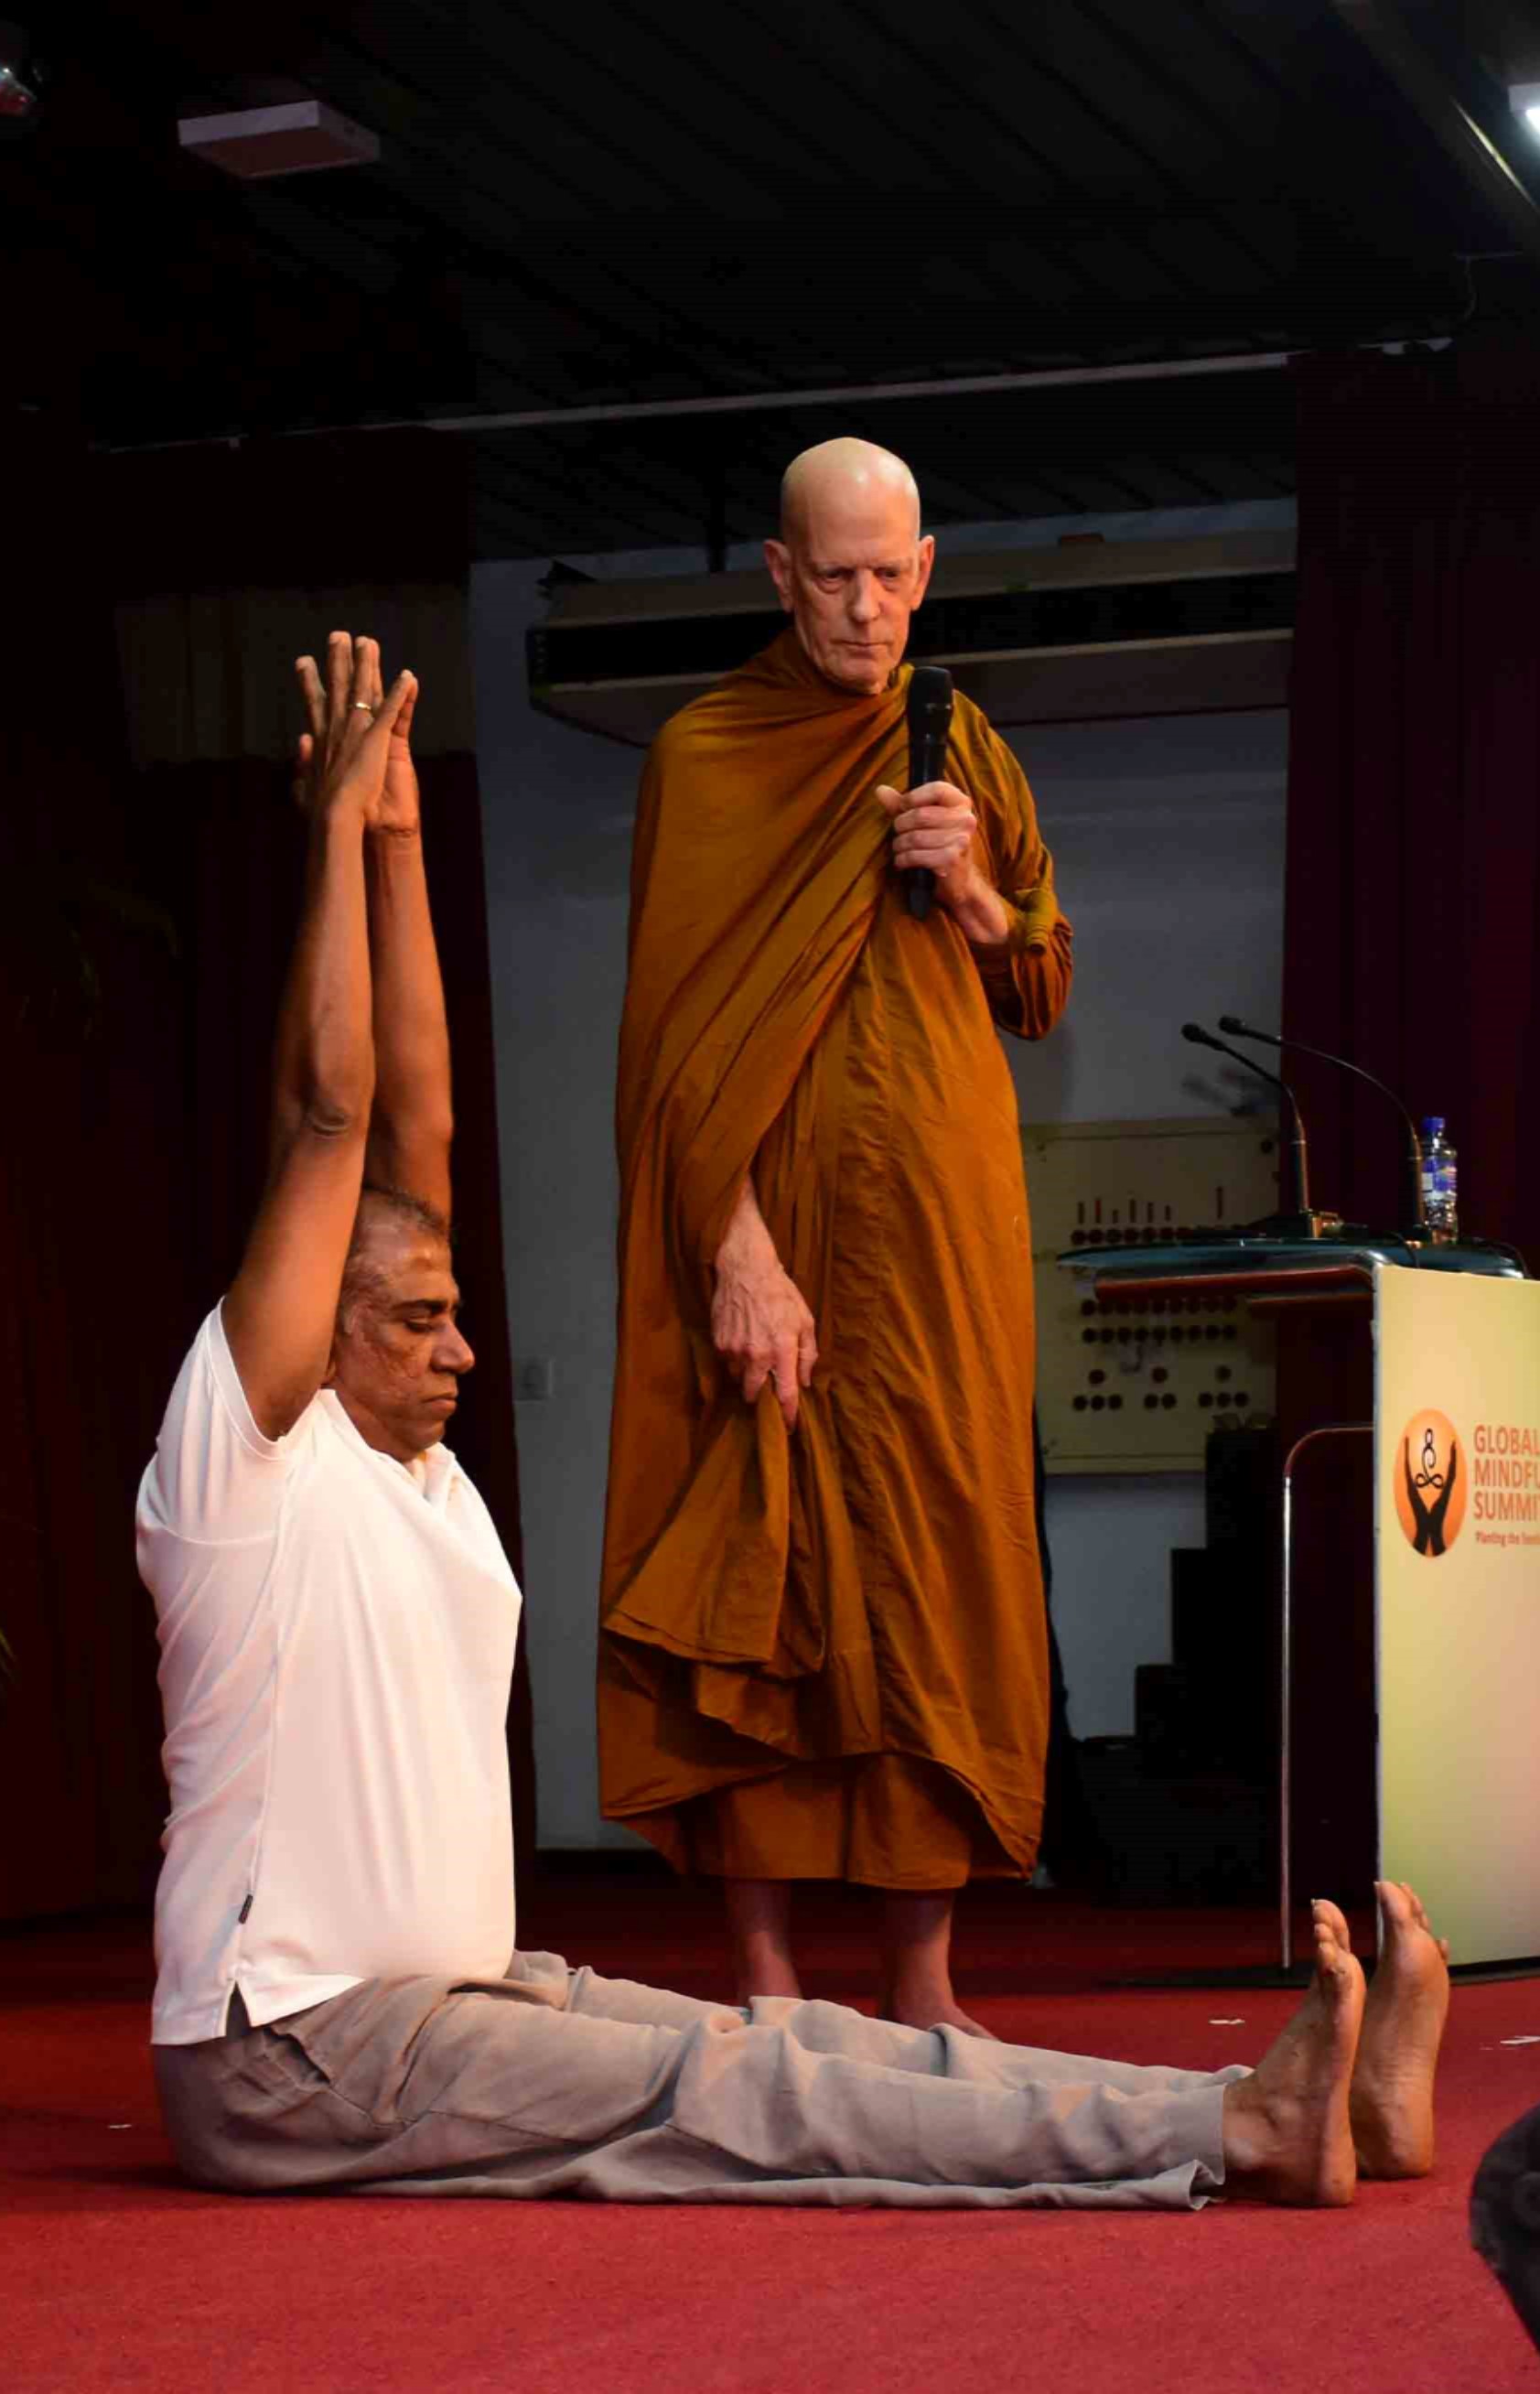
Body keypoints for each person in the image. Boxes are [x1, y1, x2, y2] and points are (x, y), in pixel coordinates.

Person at [138, 635, 1449, 2207]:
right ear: (305, 1330)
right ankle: (1227, 2141)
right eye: (418, 1323)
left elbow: (417, 1118)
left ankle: (1290, 2101)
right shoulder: (245, 1459)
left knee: (809, 2036)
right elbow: (334, 1112)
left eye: (453, 1311)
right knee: (745, 2086)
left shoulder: (410, 1464)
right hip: (295, 2049)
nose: (463, 1349)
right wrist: (333, 842)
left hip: (456, 1997)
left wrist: (406, 842)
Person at [598, 438, 1068, 2033]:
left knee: (940, 1555)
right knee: (768, 1570)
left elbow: (1043, 977)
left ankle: (924, 1977)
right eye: (835, 576)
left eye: (890, 576)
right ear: (780, 572)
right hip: (770, 1223)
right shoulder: (708, 754)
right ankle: (768, 1973)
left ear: (926, 570)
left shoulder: (962, 740)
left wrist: (980, 891)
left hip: (937, 1228)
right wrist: (733, 1248)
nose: (866, 608)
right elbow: (669, 1042)